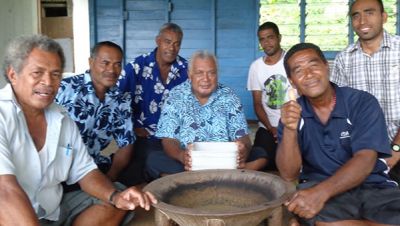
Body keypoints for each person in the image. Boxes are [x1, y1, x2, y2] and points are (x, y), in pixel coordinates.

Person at [0, 34, 156, 226]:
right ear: (13, 75)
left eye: (55, 74)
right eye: (37, 73)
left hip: (53, 208)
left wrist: (116, 197)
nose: (48, 82)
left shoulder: (61, 117)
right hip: (13, 212)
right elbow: (4, 191)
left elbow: (85, 171)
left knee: (117, 200)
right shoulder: (4, 115)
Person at [277, 42, 400, 226]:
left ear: (326, 67)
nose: (309, 75)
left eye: (313, 65)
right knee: (310, 210)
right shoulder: (292, 114)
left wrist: (320, 194)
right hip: (320, 188)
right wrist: (289, 129)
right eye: (299, 70)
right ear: (292, 81)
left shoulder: (361, 102)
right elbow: (288, 174)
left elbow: (365, 159)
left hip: (374, 187)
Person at [145, 50, 268, 179]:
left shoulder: (229, 96)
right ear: (190, 75)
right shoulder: (176, 96)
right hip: (190, 163)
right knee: (154, 159)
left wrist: (244, 150)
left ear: (217, 75)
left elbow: (242, 135)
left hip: (223, 160)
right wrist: (182, 156)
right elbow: (168, 139)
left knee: (261, 154)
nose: (206, 79)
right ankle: (229, 176)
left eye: (211, 73)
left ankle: (188, 180)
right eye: (199, 73)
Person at [331, 0, 400, 184]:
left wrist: (395, 151)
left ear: (384, 17)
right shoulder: (343, 60)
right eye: (356, 15)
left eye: (369, 12)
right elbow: (339, 110)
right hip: (360, 151)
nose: (362, 21)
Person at [56, 41, 137, 186]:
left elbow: (126, 144)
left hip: (92, 166)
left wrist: (110, 178)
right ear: (91, 62)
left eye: (117, 64)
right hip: (59, 167)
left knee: (137, 175)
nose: (112, 70)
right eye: (105, 63)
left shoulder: (120, 100)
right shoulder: (65, 89)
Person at [118, 22, 188, 182]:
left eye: (177, 44)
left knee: (180, 160)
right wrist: (131, 125)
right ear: (158, 41)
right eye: (167, 42)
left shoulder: (185, 69)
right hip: (146, 135)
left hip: (175, 136)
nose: (172, 48)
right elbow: (118, 97)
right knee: (140, 164)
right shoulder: (138, 66)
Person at [247, 21, 292, 171]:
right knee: (261, 158)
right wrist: (272, 129)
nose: (267, 43)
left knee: (293, 161)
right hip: (267, 126)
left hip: (293, 124)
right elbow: (257, 104)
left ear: (279, 38)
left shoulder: (291, 61)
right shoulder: (256, 67)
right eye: (262, 39)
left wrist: (287, 127)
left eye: (270, 37)